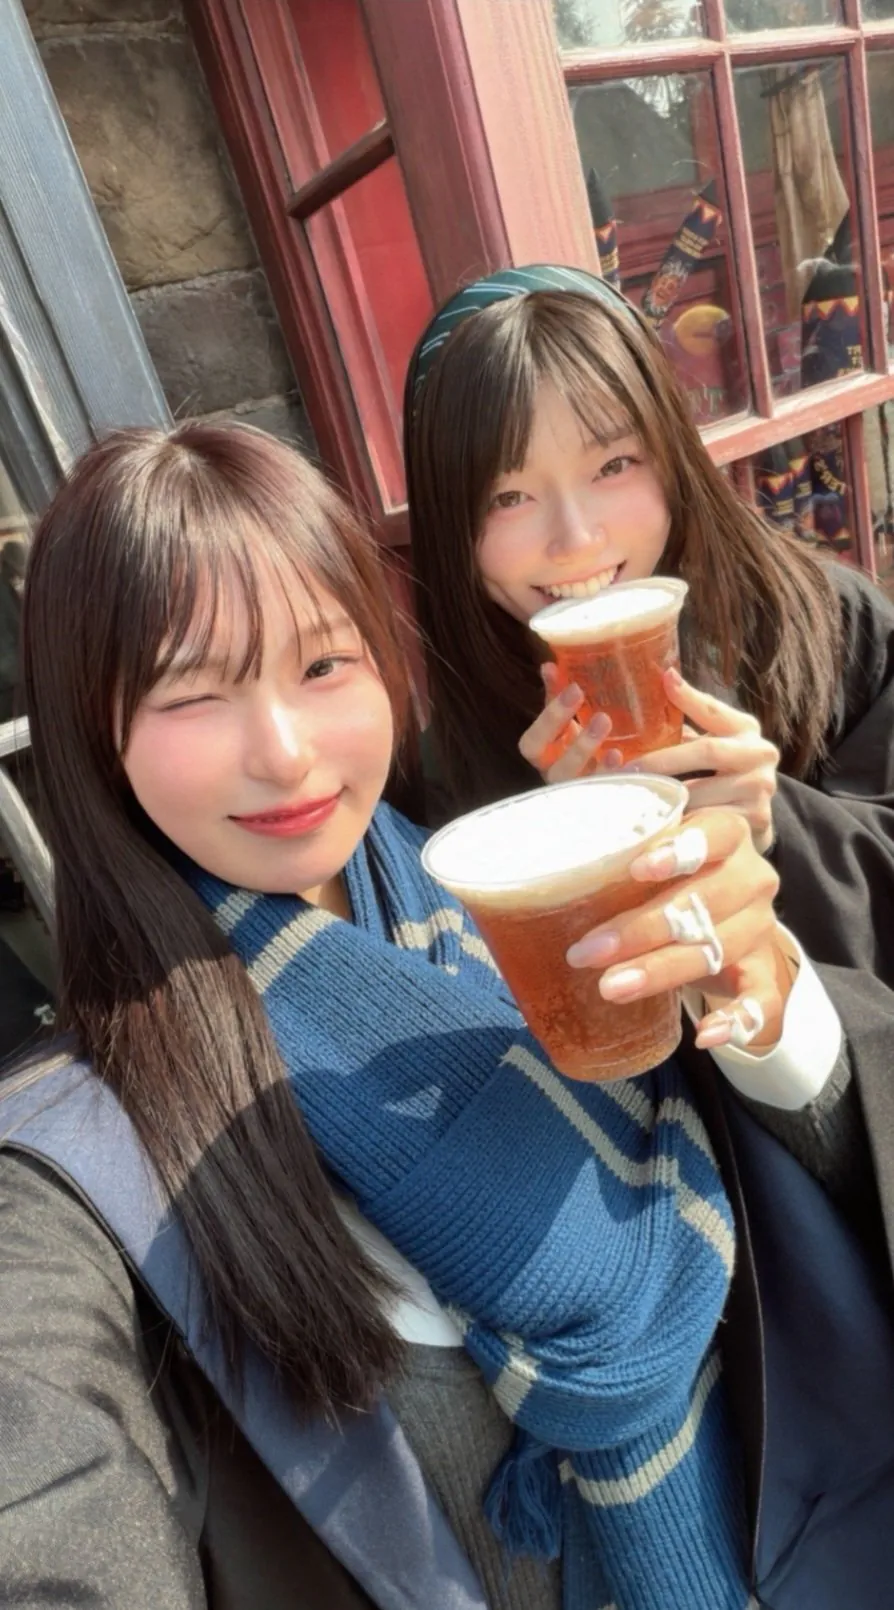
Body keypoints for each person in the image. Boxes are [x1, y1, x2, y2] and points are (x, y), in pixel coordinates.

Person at [1, 423, 893, 1610]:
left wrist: (765, 1000)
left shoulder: (504, 905)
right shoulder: (79, 1162)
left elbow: (811, 1230)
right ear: (92, 732)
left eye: (324, 664)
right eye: (194, 692)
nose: (285, 753)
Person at [403, 264, 894, 984]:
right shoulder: (445, 770)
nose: (576, 539)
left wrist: (773, 827)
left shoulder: (826, 620)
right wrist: (571, 866)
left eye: (613, 465)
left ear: (672, 457)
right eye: (508, 497)